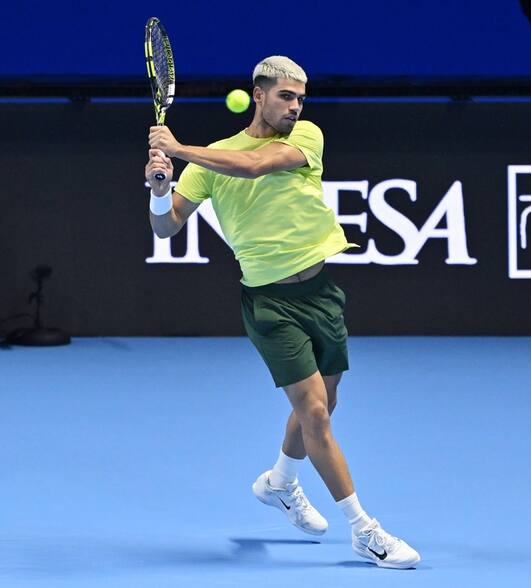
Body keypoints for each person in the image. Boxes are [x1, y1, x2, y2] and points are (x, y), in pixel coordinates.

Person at [144, 55, 420, 570]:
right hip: (270, 304)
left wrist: (178, 149)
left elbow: (255, 165)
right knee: (314, 411)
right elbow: (166, 227)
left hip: (321, 292)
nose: (295, 106)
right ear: (259, 95)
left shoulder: (305, 137)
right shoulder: (212, 159)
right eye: (285, 96)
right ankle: (365, 531)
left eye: (299, 98)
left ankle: (280, 483)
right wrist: (161, 188)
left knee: (324, 402)